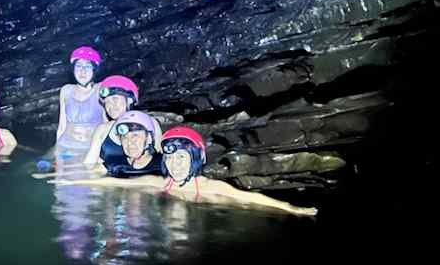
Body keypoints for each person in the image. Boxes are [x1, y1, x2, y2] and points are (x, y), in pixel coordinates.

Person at [55, 125, 318, 217]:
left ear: (194, 160)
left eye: (182, 158)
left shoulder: (210, 187)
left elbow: (251, 199)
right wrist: (72, 183)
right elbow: (115, 184)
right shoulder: (160, 183)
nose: (175, 164)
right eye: (170, 158)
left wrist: (292, 208)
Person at [82, 75, 162, 167]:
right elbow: (88, 166)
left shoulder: (151, 123)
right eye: (107, 102)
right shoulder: (102, 130)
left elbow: (162, 161)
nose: (110, 105)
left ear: (129, 100)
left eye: (115, 99)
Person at [55, 46, 106, 150]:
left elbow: (107, 124)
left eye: (87, 66)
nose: (82, 71)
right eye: (78, 66)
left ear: (94, 70)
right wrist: (57, 152)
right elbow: (61, 127)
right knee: (37, 165)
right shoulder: (66, 90)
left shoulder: (101, 89)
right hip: (66, 146)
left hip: (91, 148)